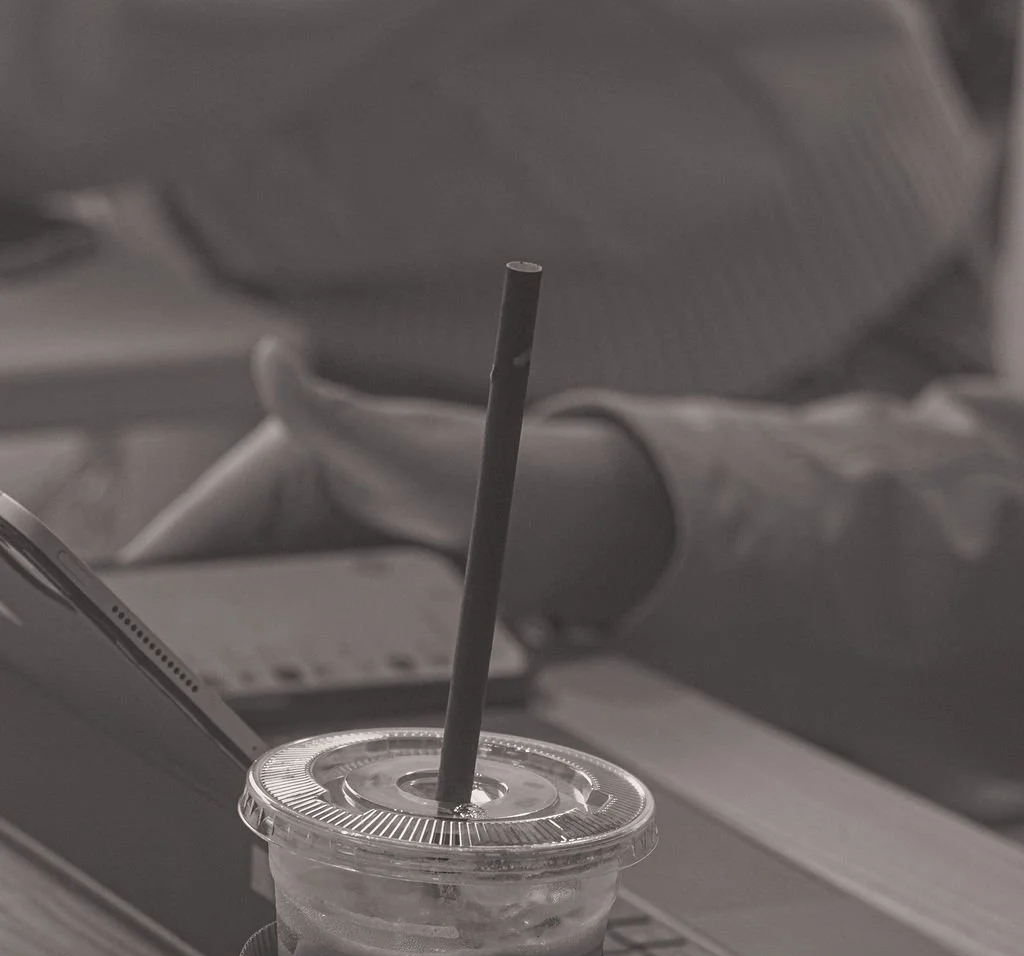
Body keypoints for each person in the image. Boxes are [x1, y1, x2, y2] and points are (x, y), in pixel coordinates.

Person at [3, 0, 1024, 828]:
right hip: (470, 343)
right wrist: (596, 504)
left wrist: (612, 505)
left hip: (768, 328)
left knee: (667, 862)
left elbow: (63, 84)